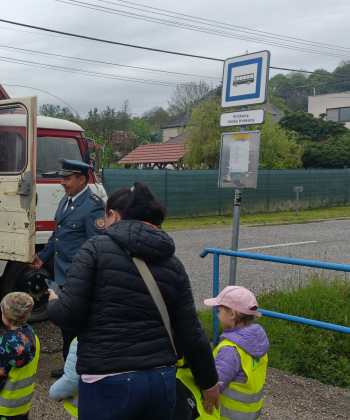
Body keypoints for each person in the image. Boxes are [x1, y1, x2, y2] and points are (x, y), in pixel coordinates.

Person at [47, 181, 219, 420]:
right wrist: (209, 383)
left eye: (105, 218)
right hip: (161, 380)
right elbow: (191, 332)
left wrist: (53, 301)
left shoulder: (94, 249)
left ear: (113, 215)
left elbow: (68, 314)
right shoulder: (173, 264)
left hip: (107, 381)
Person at [30, 158, 105, 378]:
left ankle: (79, 368)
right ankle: (68, 367)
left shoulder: (93, 205)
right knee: (66, 324)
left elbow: (97, 245)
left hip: (78, 277)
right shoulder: (66, 199)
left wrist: (90, 276)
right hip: (60, 274)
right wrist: (42, 257)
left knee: (77, 325)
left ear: (82, 179)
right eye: (62, 177)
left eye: (67, 178)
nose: (62, 182)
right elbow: (58, 235)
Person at [202, 286, 269, 420]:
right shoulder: (255, 342)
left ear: (232, 315)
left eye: (219, 311)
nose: (217, 315)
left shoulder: (230, 350)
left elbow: (214, 385)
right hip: (249, 414)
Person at [0, 292, 40, 420]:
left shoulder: (2, 344)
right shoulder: (34, 339)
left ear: (6, 317)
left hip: (3, 407)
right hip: (23, 404)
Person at [49, 338, 80, 419]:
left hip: (83, 409)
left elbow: (72, 380)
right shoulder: (117, 336)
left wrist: (55, 393)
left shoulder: (80, 341)